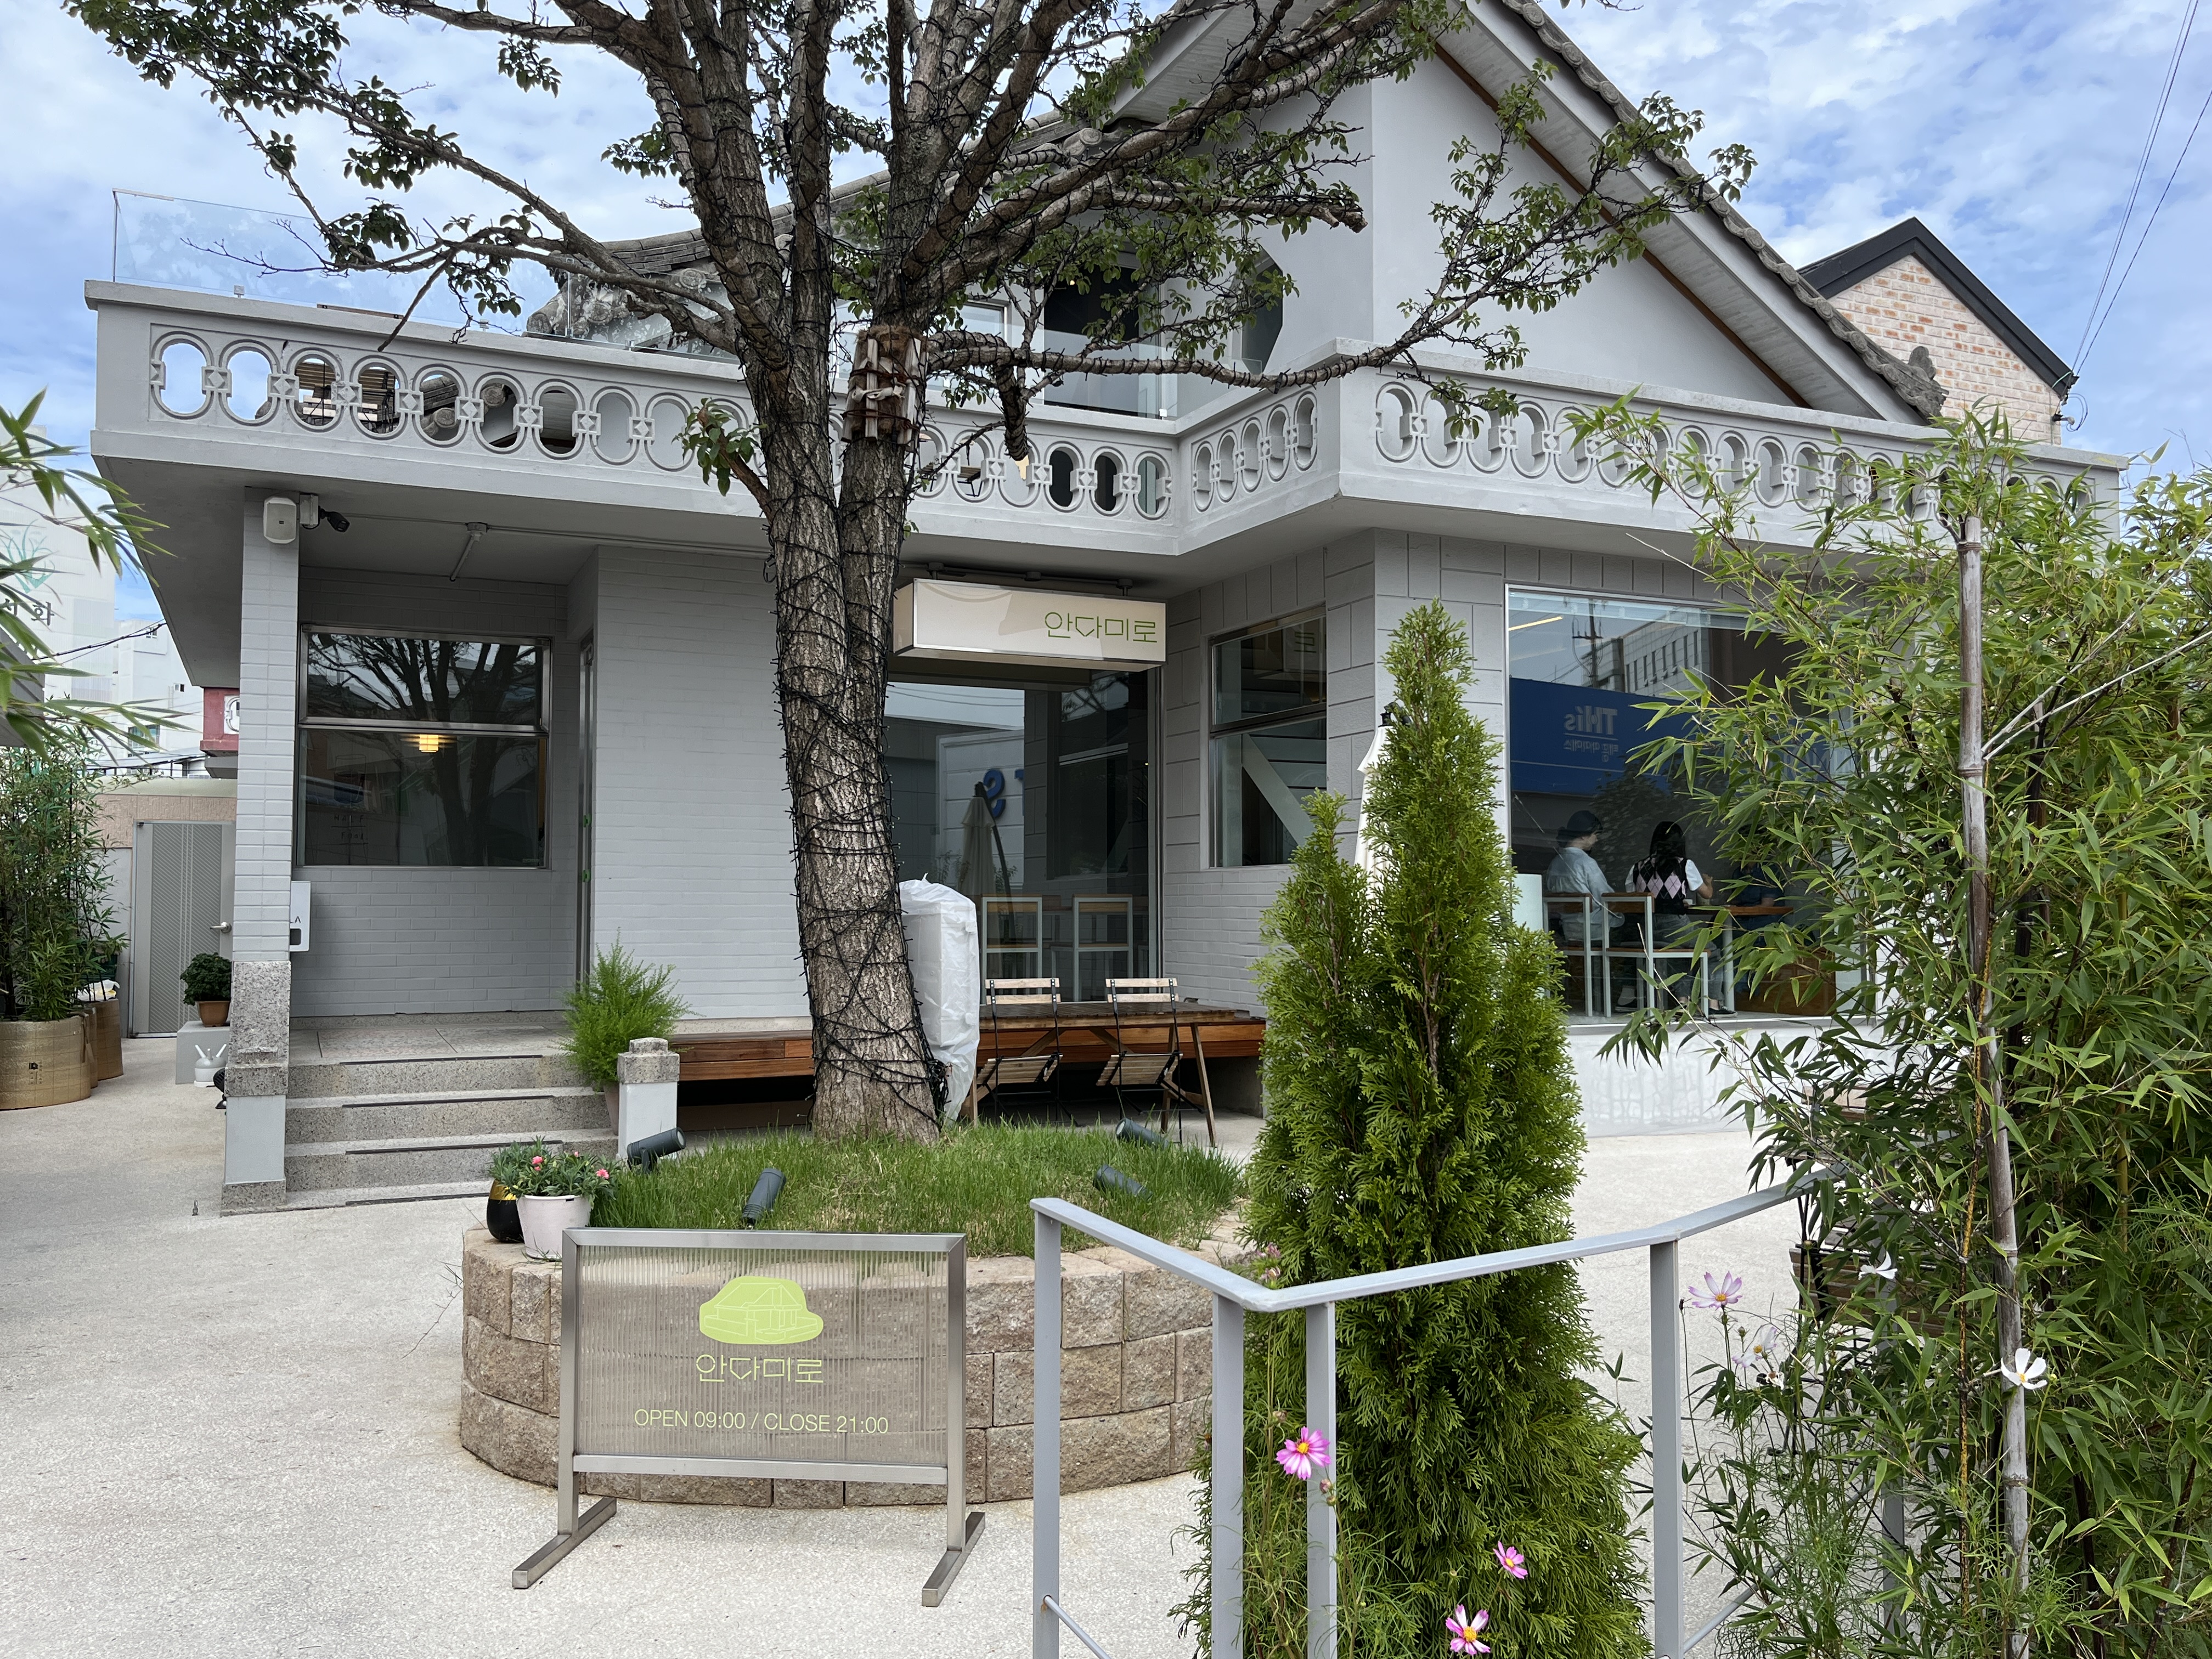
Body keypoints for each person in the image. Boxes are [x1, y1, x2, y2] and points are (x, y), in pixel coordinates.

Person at [1626, 820, 1716, 1006]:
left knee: (1681, 951)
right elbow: (1707, 894)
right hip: (1675, 925)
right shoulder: (1685, 865)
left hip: (1646, 929)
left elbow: (1633, 898)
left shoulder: (1637, 867)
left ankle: (1683, 1000)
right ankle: (1713, 1003)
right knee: (1712, 951)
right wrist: (1708, 883)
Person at [1544, 810, 1612, 945]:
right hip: (1593, 927)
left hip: (1567, 927)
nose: (1597, 839)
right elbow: (1604, 895)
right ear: (1583, 836)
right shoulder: (1586, 863)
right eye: (1595, 834)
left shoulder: (1555, 863)